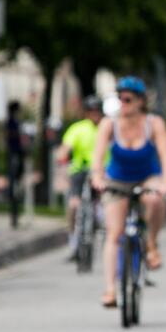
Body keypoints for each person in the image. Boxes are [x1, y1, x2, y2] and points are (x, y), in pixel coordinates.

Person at [91, 77, 166, 308]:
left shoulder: (153, 123)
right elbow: (98, 156)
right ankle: (110, 290)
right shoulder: (109, 124)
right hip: (117, 180)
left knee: (154, 199)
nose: (123, 103)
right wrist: (97, 177)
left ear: (140, 101)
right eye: (119, 98)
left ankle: (152, 245)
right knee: (114, 234)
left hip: (147, 177)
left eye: (127, 98)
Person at [57, 95, 103, 256]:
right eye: (91, 111)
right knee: (74, 204)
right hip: (80, 170)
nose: (94, 114)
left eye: (97, 111)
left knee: (104, 203)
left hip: (102, 172)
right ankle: (73, 240)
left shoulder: (106, 128)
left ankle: (104, 232)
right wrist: (62, 156)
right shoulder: (78, 128)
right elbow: (66, 146)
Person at [5, 101, 27, 229]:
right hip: (14, 154)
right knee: (14, 185)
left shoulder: (16, 122)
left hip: (18, 154)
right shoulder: (11, 122)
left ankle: (16, 216)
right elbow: (10, 135)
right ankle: (14, 217)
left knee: (17, 185)